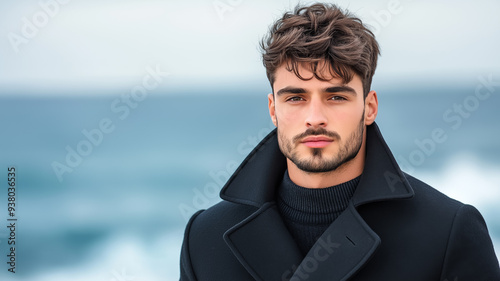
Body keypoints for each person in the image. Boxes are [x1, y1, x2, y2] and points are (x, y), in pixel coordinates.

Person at [179, 3, 500, 280]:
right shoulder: (205, 238)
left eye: (335, 96)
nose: (315, 117)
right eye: (295, 97)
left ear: (369, 107)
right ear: (273, 109)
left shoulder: (447, 232)